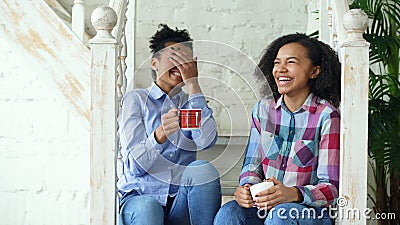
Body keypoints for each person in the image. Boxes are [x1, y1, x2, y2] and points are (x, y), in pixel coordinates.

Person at [214, 33, 341, 225]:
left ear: (314, 71)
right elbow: (252, 166)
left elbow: (331, 188)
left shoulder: (326, 116)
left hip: (309, 211)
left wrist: (293, 194)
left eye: (291, 62)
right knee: (229, 212)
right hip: (266, 209)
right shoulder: (263, 110)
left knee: (281, 213)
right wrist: (246, 187)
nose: (281, 69)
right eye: (276, 63)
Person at [117, 24, 221, 225]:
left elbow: (206, 141)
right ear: (155, 63)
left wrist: (193, 84)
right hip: (140, 199)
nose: (180, 66)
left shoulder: (191, 102)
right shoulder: (136, 100)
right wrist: (159, 135)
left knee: (203, 169)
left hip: (178, 204)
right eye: (174, 58)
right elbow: (135, 167)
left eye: (185, 61)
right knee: (148, 208)